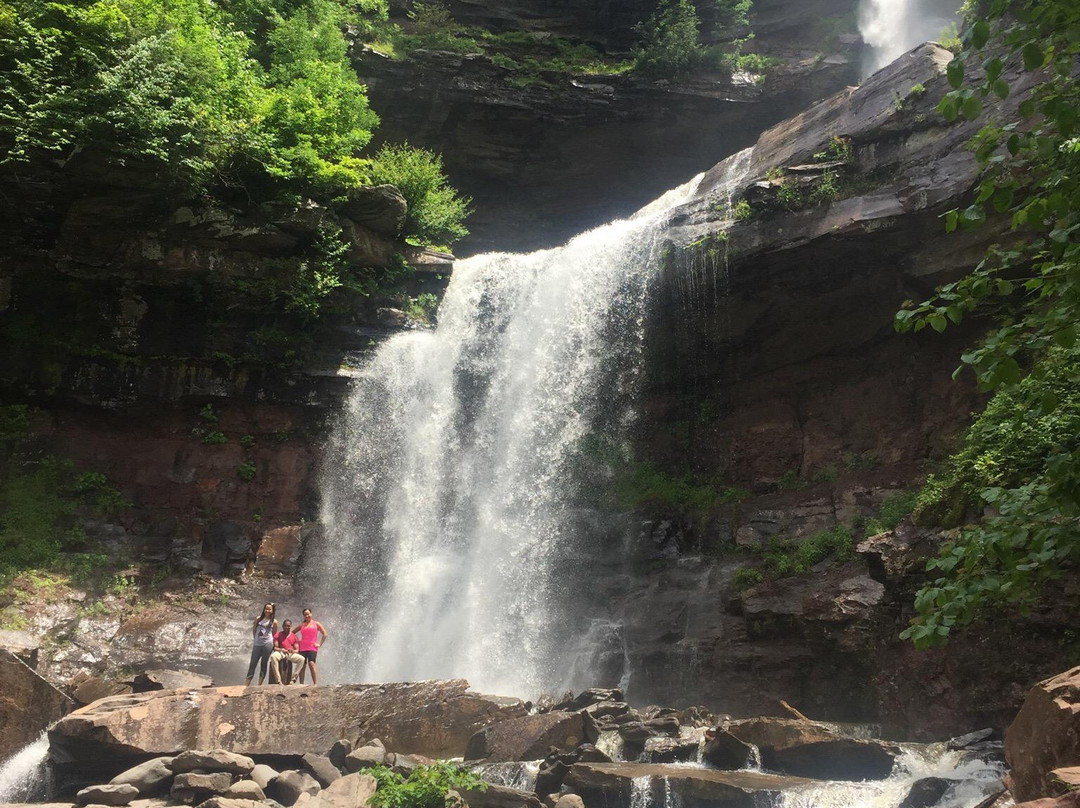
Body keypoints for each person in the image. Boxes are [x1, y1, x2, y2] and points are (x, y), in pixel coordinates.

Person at [244, 602, 277, 686]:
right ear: (264, 609)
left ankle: (259, 684)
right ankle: (247, 683)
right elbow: (254, 629)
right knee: (253, 663)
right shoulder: (258, 619)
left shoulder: (274, 621)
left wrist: (273, 644)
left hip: (268, 644)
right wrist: (256, 639)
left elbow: (274, 634)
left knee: (264, 663)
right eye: (266, 609)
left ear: (272, 611)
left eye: (269, 609)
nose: (267, 610)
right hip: (257, 644)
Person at [292, 608, 328, 685]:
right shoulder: (302, 625)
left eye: (308, 614)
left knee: (312, 663)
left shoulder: (316, 623)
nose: (307, 616)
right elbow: (292, 633)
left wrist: (319, 644)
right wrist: (296, 643)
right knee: (302, 665)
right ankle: (301, 684)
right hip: (302, 647)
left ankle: (315, 684)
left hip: (312, 647)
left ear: (311, 614)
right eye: (305, 615)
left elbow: (324, 634)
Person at [269, 619, 305, 684]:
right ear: (282, 626)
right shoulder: (278, 635)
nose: (286, 627)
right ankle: (278, 680)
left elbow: (297, 650)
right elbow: (275, 648)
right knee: (273, 656)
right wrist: (281, 649)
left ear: (291, 626)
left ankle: (293, 679)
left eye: (288, 626)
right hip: (281, 652)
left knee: (302, 659)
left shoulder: (294, 636)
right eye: (285, 626)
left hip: (290, 654)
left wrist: (292, 650)